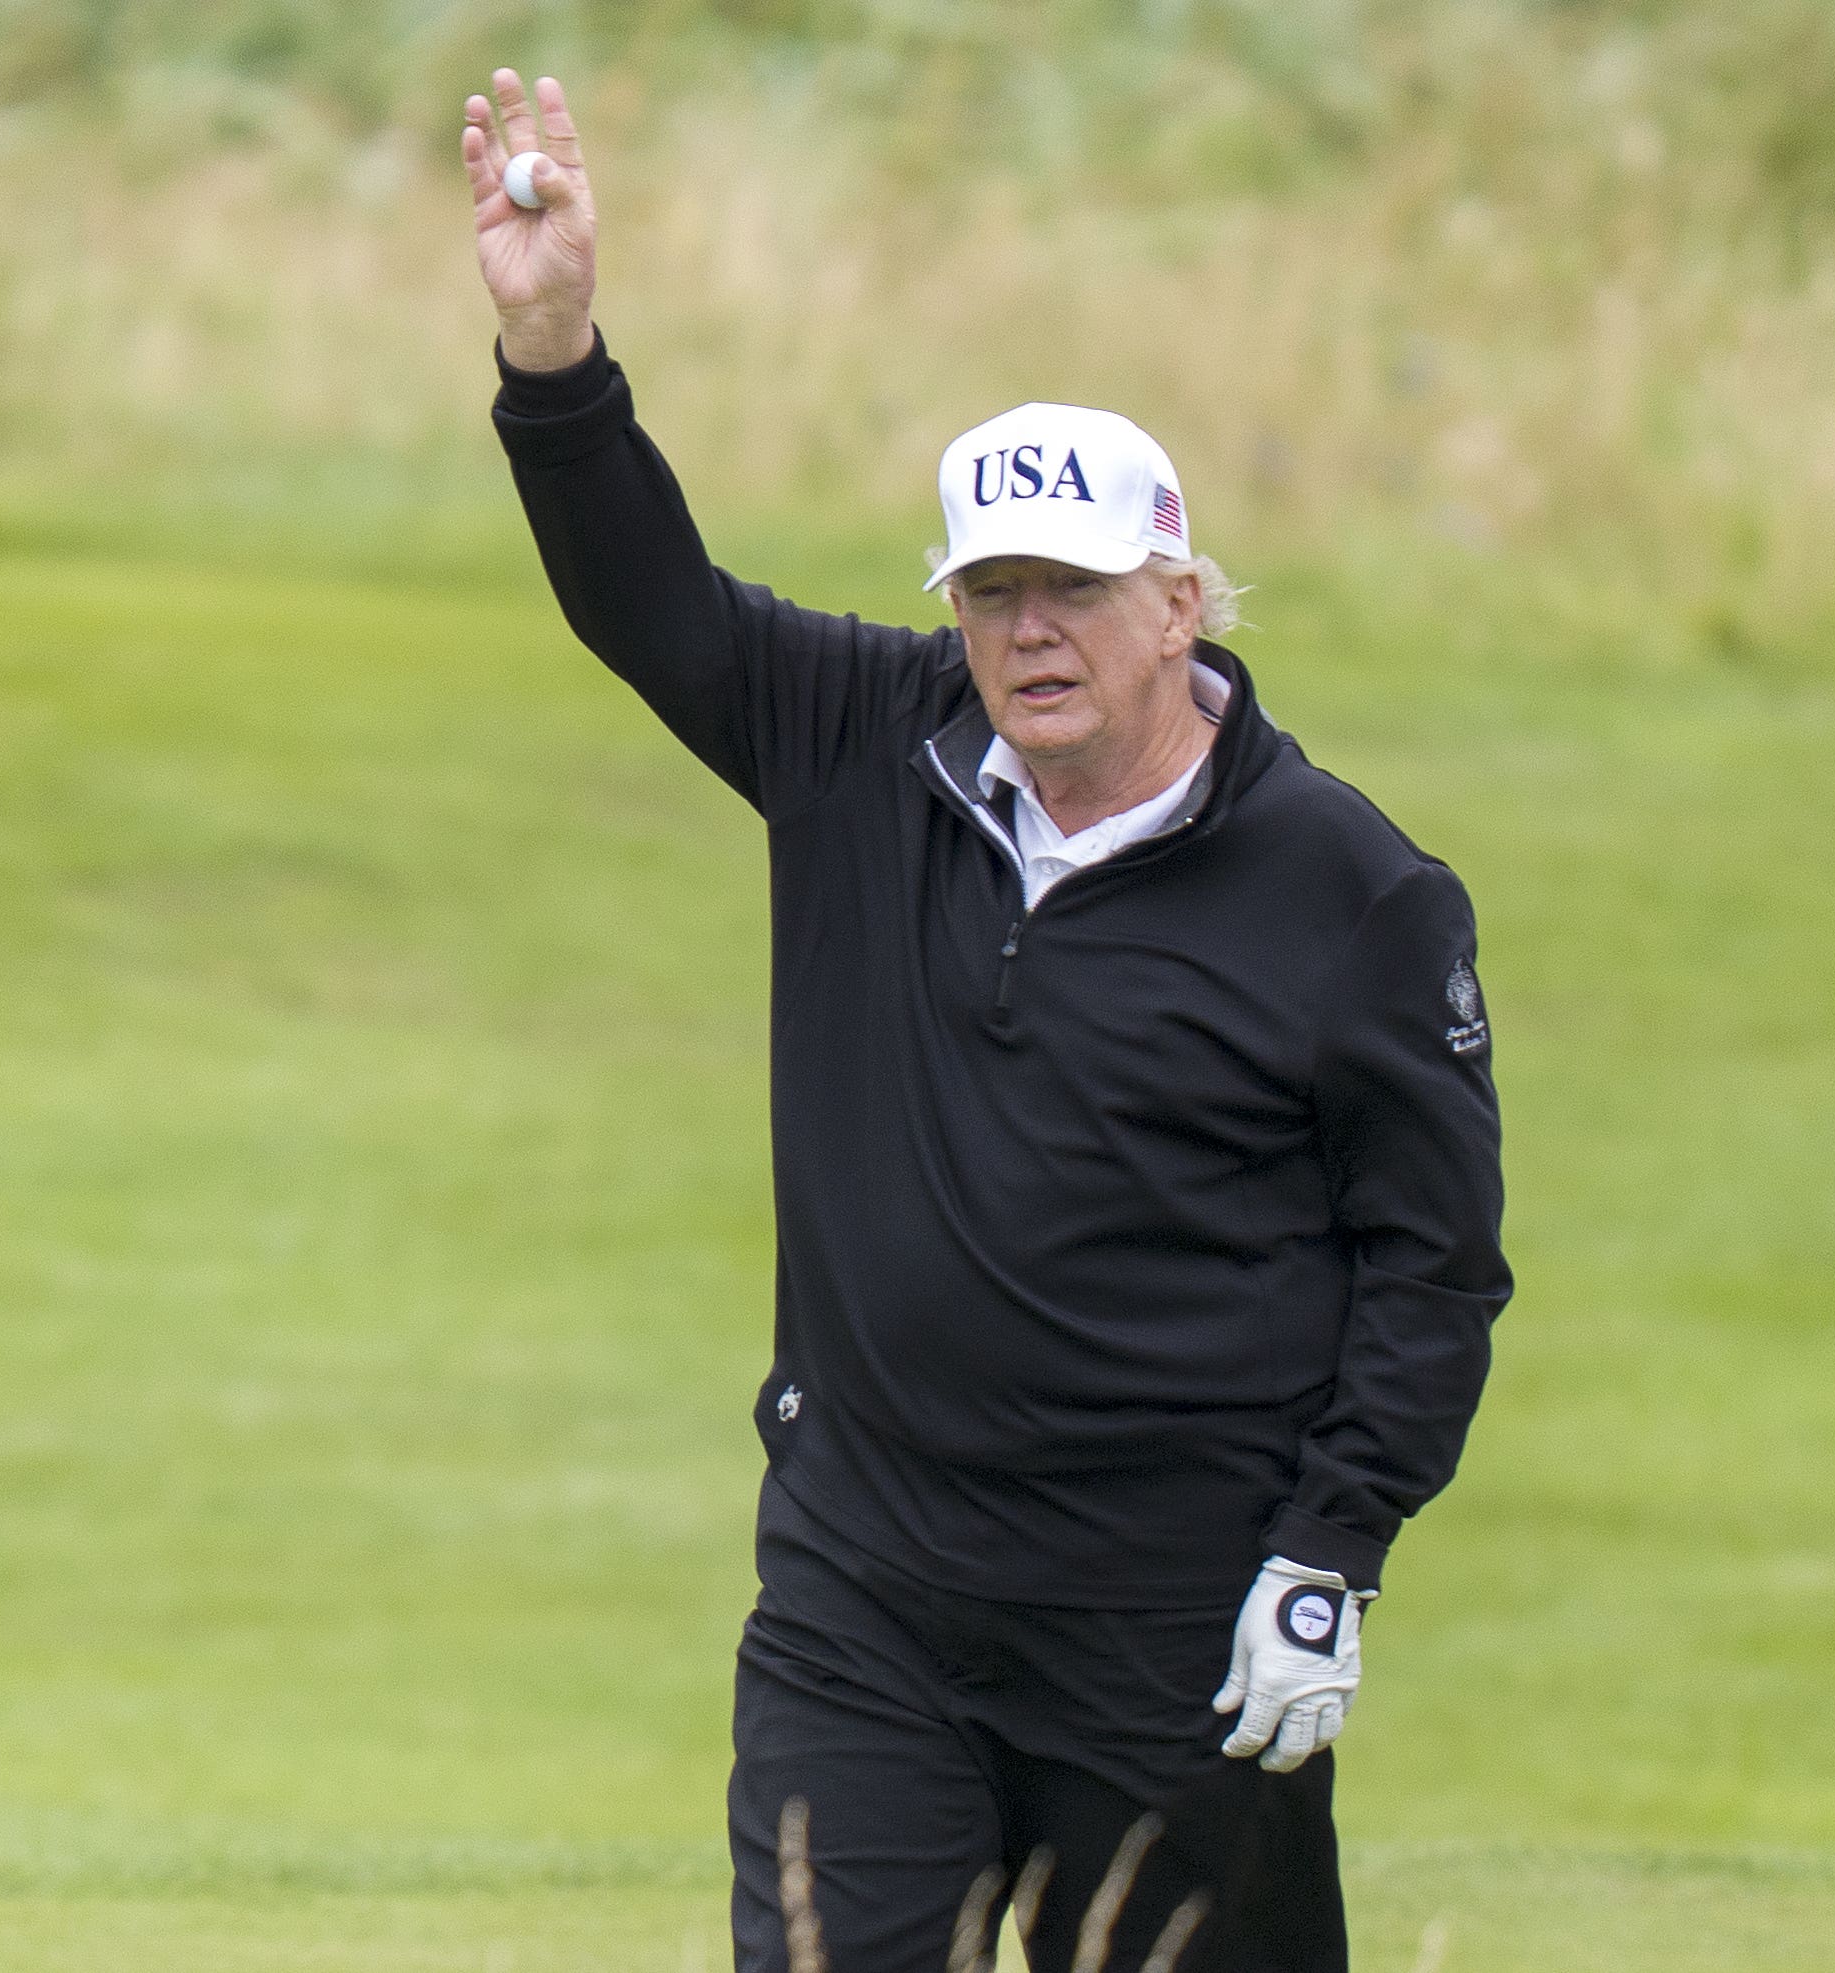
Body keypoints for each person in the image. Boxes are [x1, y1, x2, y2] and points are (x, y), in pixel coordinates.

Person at [463, 71, 1510, 1973]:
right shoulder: (870, 747)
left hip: (1170, 1627)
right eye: (992, 591)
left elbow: (1432, 1266)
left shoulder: (1351, 891)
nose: (1031, 632)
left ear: (1181, 598)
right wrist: (556, 352)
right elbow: (651, 603)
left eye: (1078, 591)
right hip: (867, 1592)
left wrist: (1332, 1555)